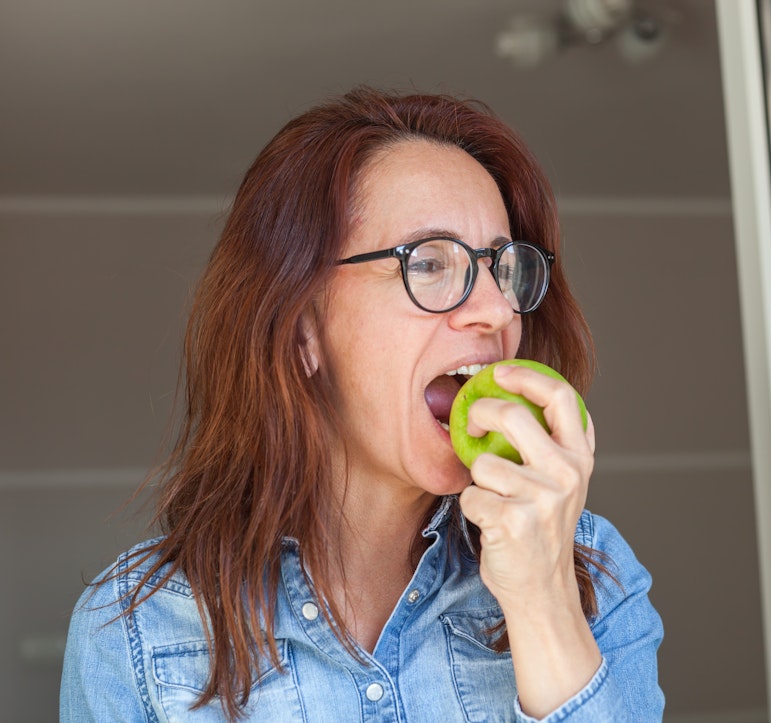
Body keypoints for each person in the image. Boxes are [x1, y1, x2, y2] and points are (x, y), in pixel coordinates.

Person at [60, 86, 664, 722]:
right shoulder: (134, 633)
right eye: (429, 263)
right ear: (303, 330)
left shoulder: (597, 576)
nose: (495, 309)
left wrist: (545, 600)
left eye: (501, 268)